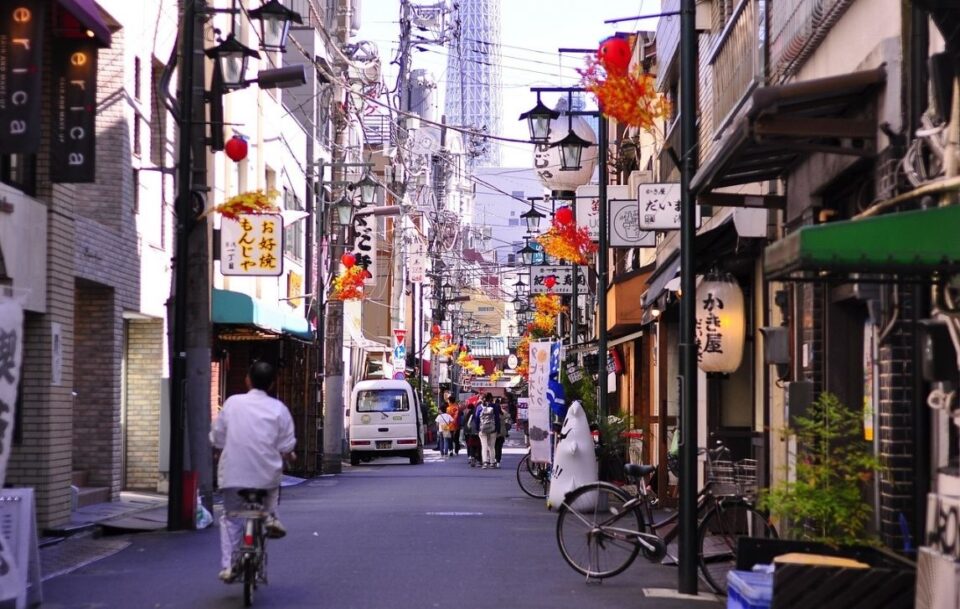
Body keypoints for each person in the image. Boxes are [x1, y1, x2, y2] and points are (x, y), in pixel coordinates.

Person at [210, 361, 296, 583]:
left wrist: (219, 448)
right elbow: (287, 444)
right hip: (266, 476)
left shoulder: (232, 403)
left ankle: (229, 566)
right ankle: (269, 516)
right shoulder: (279, 409)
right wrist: (288, 454)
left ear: (247, 380)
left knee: (231, 519)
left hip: (233, 475)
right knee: (271, 490)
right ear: (272, 384)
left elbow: (218, 436)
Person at [472, 392, 501, 469]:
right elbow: (497, 419)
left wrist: (478, 429)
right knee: (492, 447)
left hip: (482, 429)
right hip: (493, 429)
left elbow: (476, 419)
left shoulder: (479, 407)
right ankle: (492, 463)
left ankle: (485, 462)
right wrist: (497, 429)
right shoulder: (494, 406)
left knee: (484, 446)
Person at [494, 399, 513, 468]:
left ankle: (494, 459)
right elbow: (508, 419)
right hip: (502, 432)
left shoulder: (493, 413)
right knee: (499, 447)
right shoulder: (504, 413)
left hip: (494, 432)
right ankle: (498, 461)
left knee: (493, 447)